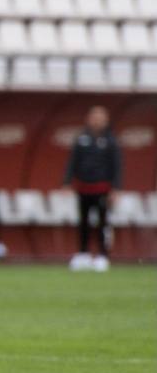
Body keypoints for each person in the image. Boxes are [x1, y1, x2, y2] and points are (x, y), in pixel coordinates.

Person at [64, 105, 122, 273]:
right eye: (94, 116)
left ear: (106, 120)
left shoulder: (111, 141)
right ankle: (83, 254)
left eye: (100, 117)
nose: (96, 120)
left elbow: (117, 166)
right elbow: (72, 162)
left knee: (103, 223)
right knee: (83, 222)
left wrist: (116, 188)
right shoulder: (82, 139)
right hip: (84, 187)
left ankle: (103, 255)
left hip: (102, 188)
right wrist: (67, 182)